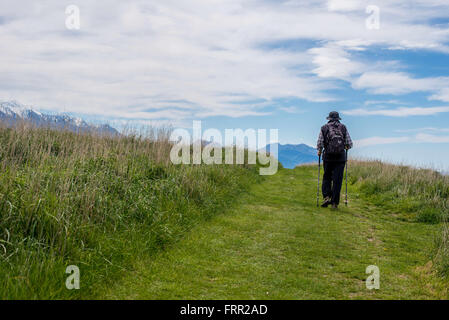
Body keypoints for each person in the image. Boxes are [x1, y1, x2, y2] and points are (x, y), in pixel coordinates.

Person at [317, 111, 353, 209]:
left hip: (328, 157)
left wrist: (319, 151)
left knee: (327, 177)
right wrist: (345, 147)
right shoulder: (343, 127)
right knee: (337, 180)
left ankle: (326, 197)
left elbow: (320, 142)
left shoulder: (324, 128)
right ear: (338, 118)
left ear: (329, 119)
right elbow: (349, 144)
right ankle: (334, 203)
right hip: (340, 158)